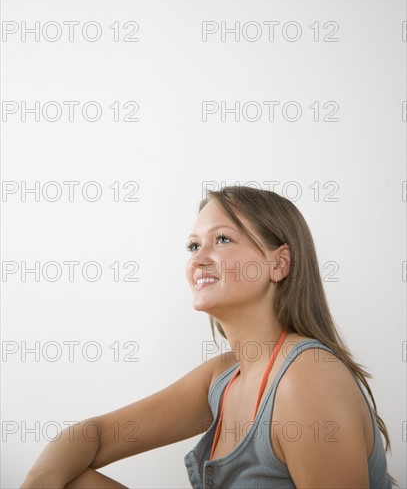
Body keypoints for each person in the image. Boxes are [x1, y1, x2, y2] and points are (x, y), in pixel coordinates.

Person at [21, 185, 395, 488]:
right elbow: (96, 435)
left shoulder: (307, 378)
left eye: (223, 240)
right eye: (194, 245)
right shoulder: (223, 376)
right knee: (72, 481)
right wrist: (38, 482)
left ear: (279, 264)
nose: (199, 259)